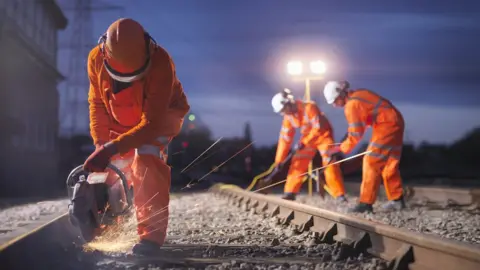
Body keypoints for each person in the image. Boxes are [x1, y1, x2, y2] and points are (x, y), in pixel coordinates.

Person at [83, 18, 190, 255]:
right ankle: (111, 223)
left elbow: (151, 124)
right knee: (112, 167)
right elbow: (97, 104)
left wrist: (110, 148)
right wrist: (101, 144)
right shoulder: (95, 59)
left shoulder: (161, 61)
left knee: (147, 157)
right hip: (120, 117)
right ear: (106, 52)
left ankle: (150, 238)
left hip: (161, 117)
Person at [323, 81, 406, 213]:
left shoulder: (351, 105)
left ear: (340, 95)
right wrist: (344, 142)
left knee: (371, 161)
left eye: (334, 101)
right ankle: (397, 199)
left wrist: (340, 149)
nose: (334, 105)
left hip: (385, 125)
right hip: (395, 121)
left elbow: (356, 134)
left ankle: (365, 203)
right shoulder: (358, 94)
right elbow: (362, 123)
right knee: (390, 163)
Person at [271, 89, 346, 201]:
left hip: (323, 136)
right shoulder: (289, 117)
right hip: (307, 139)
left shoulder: (310, 107)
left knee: (329, 162)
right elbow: (284, 139)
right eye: (281, 111)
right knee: (298, 161)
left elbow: (318, 127)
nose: (284, 113)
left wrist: (304, 142)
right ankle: (290, 192)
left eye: (284, 109)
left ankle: (339, 194)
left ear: (289, 103)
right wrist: (279, 161)